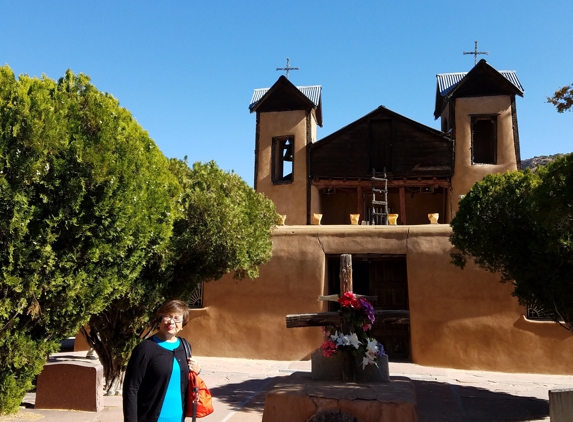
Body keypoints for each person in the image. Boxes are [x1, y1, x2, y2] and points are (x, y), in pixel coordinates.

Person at [123, 299, 201, 422]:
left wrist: (197, 369)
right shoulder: (145, 349)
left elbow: (183, 377)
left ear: (182, 325)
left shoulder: (185, 346)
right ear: (159, 319)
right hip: (151, 417)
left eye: (176, 318)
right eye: (167, 316)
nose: (171, 322)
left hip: (178, 417)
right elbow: (131, 389)